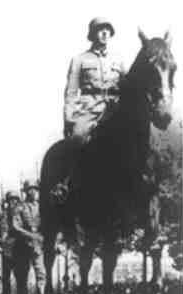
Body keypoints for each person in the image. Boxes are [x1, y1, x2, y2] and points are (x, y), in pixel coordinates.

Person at [52, 17, 126, 202]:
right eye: (100, 30)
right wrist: (70, 118)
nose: (104, 33)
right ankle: (65, 183)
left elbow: (126, 87)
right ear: (92, 34)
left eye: (107, 30)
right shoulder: (80, 59)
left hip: (115, 108)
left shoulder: (118, 60)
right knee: (78, 137)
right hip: (89, 109)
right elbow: (71, 91)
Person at [12, 180, 46, 294]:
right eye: (30, 189)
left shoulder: (42, 207)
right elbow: (16, 226)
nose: (33, 192)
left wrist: (42, 236)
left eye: (35, 189)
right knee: (22, 276)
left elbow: (47, 224)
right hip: (23, 245)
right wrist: (31, 235)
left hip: (38, 245)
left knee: (41, 273)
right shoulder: (19, 207)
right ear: (25, 192)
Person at [1, 191, 19, 294]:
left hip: (20, 248)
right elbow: (3, 229)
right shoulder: (4, 214)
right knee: (5, 277)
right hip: (7, 248)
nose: (13, 202)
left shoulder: (21, 213)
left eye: (15, 200)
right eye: (10, 200)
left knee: (21, 277)